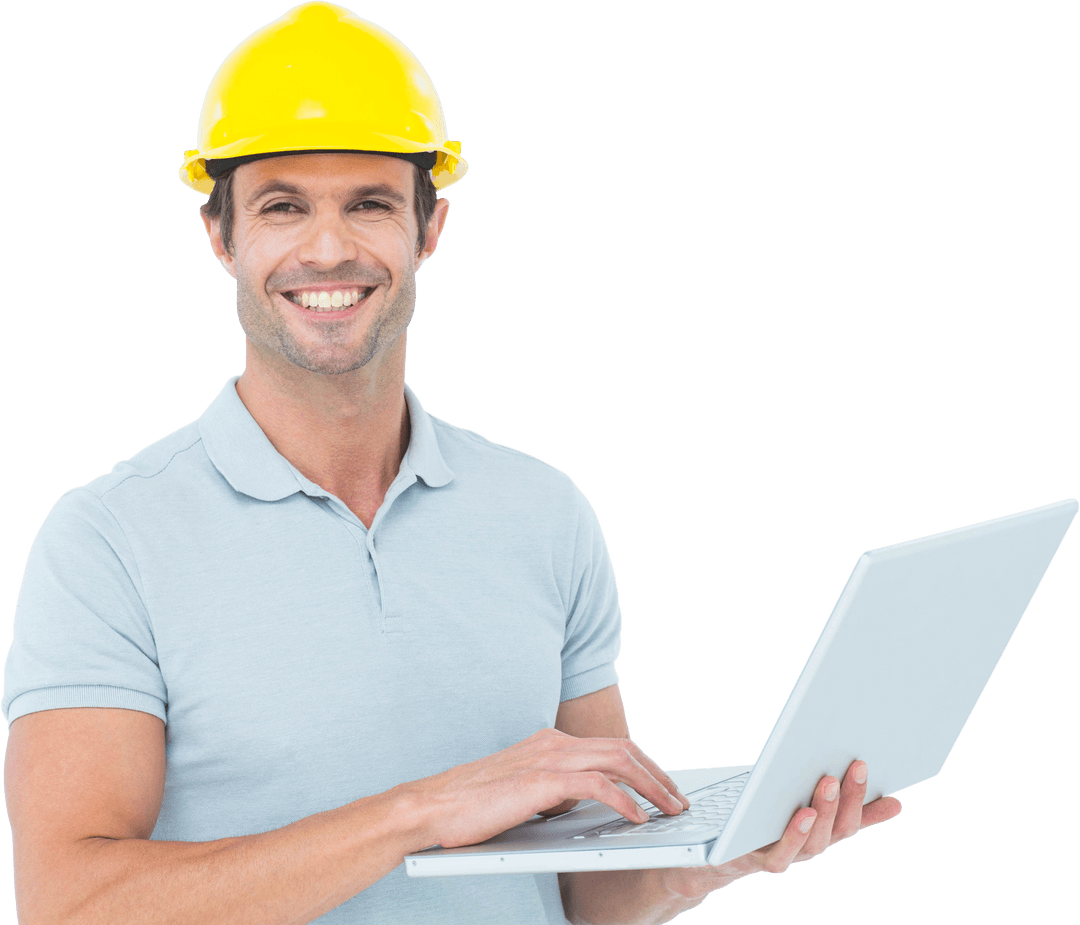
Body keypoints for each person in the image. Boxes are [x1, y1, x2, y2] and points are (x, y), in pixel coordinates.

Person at [1, 3, 900, 923]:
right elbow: (69, 905)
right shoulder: (108, 539)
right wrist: (421, 811)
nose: (327, 248)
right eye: (282, 206)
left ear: (429, 227)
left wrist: (710, 858)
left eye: (370, 204)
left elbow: (587, 891)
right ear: (220, 235)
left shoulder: (543, 511)